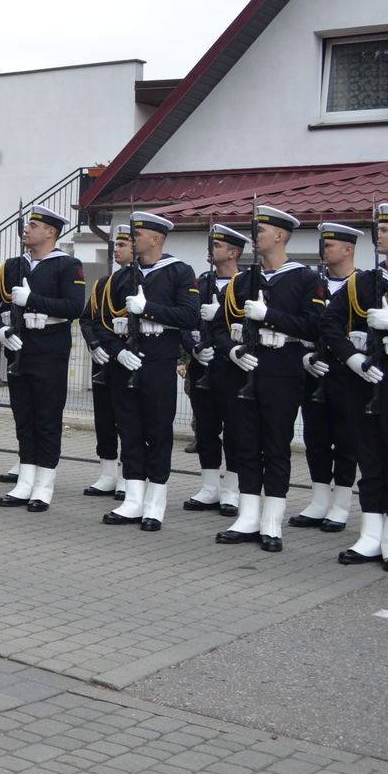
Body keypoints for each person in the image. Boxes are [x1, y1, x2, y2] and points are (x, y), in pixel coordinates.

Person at [321, 201, 388, 574]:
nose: (379, 234)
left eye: (387, 229)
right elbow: (329, 324)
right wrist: (351, 358)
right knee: (370, 460)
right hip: (364, 382)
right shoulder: (362, 282)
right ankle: (370, 535)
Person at [215, 206, 314, 552]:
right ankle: (248, 516)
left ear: (281, 236)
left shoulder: (304, 279)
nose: (255, 236)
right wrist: (232, 351)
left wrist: (270, 316)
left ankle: (271, 520)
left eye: (262, 230)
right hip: (246, 369)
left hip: (283, 368)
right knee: (245, 444)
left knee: (275, 445)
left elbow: (314, 327)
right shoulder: (243, 281)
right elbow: (218, 328)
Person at [96, 211, 198, 533]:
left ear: (155, 239)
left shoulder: (179, 272)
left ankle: (155, 502)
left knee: (157, 431)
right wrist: (118, 351)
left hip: (158, 362)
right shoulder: (123, 277)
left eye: (137, 235)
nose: (131, 239)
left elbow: (189, 316)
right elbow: (103, 323)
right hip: (126, 361)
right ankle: (133, 499)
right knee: (129, 431)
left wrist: (149, 309)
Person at [0, 205, 86, 512]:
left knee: (46, 418)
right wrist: (2, 327)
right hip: (21, 345)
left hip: (49, 346)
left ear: (51, 232)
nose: (26, 229)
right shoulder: (16, 265)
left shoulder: (67, 265)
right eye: (28, 224)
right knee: (24, 418)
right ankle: (25, 481)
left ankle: (44, 485)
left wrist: (32, 300)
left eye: (33, 225)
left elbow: (74, 307)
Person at [291, 223, 363, 532]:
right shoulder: (314, 284)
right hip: (314, 370)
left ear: (348, 249)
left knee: (346, 439)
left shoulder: (363, 285)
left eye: (330, 245)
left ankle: (341, 504)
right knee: (316, 438)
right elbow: (302, 326)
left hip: (348, 373)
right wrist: (304, 356)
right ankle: (319, 500)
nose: (324, 250)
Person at [181, 225, 248, 516]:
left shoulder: (247, 284)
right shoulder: (202, 282)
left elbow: (252, 325)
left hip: (233, 367)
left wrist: (220, 316)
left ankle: (232, 489)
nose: (212, 249)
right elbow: (186, 320)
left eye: (218, 245)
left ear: (233, 253)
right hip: (202, 365)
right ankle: (209, 487)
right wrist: (193, 348)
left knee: (235, 429)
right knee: (206, 428)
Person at [78, 224, 131, 498]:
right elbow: (87, 319)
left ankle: (127, 475)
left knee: (127, 420)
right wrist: (94, 344)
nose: (116, 250)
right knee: (104, 417)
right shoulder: (102, 284)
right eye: (115, 245)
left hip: (128, 360)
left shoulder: (141, 283)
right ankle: (108, 473)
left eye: (122, 245)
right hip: (104, 359)